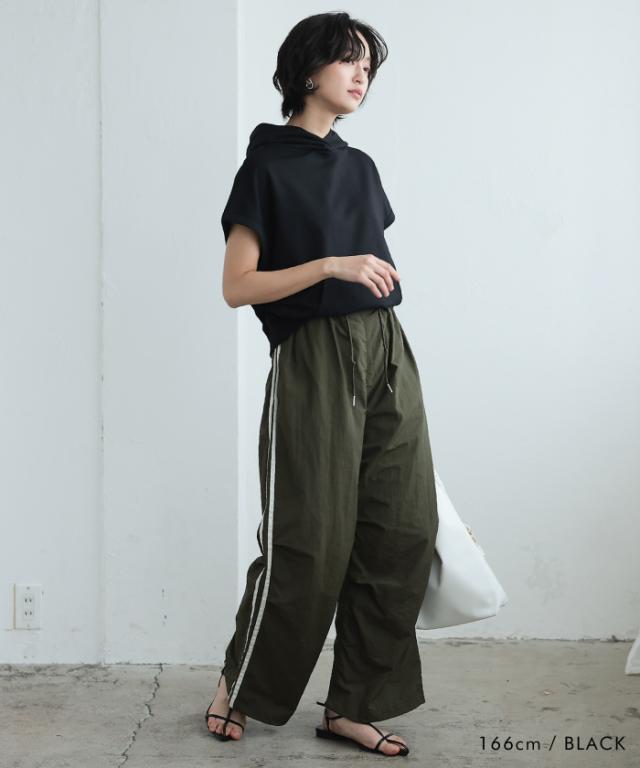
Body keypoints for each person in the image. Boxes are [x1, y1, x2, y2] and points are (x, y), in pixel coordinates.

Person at [205, 11, 439, 758]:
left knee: (402, 530)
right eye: (348, 59)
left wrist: (362, 286)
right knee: (308, 541)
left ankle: (353, 704)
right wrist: (331, 266)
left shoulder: (359, 167)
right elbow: (238, 286)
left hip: (386, 348)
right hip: (312, 356)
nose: (362, 73)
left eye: (369, 63)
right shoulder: (265, 167)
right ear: (308, 70)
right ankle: (241, 683)